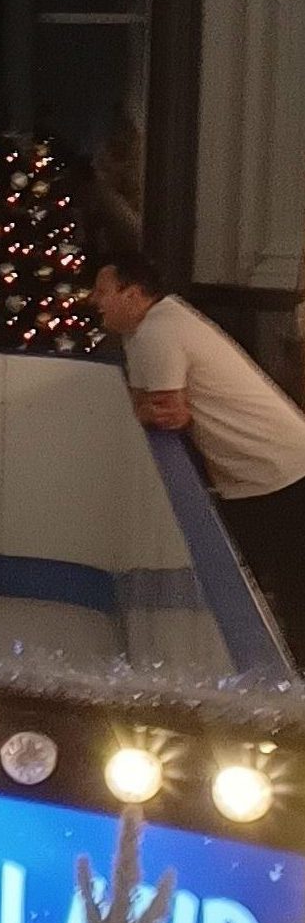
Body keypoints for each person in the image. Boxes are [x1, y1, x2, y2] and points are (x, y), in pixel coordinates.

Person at [91, 252, 305, 661]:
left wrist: (144, 407)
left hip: (278, 470)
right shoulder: (151, 328)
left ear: (132, 294)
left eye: (102, 291)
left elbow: (169, 414)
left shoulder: (159, 331)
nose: (93, 300)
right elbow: (150, 403)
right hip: (262, 470)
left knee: (283, 587)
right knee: (261, 583)